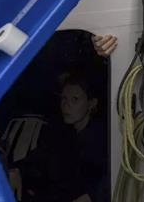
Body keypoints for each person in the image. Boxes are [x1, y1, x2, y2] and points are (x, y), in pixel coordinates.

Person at [18, 71, 109, 202]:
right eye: (63, 98)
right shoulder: (60, 134)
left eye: (75, 99)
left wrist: (92, 196)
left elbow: (107, 177)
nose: (66, 105)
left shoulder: (103, 139)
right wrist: (18, 170)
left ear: (91, 103)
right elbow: (38, 159)